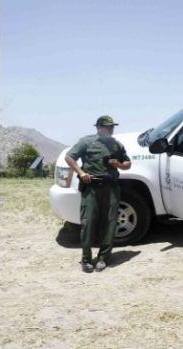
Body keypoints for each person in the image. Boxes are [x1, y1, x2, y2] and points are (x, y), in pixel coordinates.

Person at [65, 115, 131, 273]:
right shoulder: (86, 142)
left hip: (111, 188)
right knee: (88, 223)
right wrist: (81, 173)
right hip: (91, 187)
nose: (111, 129)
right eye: (108, 127)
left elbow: (127, 163)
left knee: (109, 223)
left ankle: (103, 258)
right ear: (99, 128)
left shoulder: (116, 145)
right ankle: (86, 259)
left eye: (112, 127)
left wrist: (119, 165)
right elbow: (69, 157)